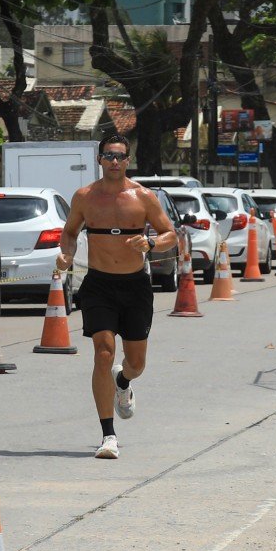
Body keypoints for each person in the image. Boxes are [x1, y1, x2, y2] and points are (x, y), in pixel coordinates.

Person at [56, 135, 178, 460]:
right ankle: (108, 435)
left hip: (135, 287)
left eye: (120, 156)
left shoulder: (144, 197)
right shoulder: (84, 197)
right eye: (108, 155)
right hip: (99, 286)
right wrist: (65, 255)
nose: (114, 161)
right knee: (103, 353)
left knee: (135, 363)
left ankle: (123, 383)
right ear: (99, 159)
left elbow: (170, 234)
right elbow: (69, 232)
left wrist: (151, 244)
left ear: (127, 161)